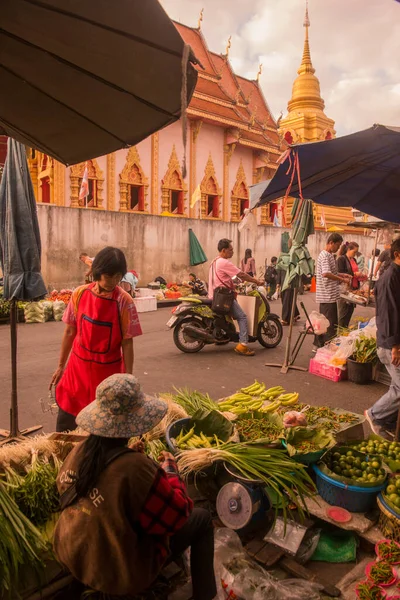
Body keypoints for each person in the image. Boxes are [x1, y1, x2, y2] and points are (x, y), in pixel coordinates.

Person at [53, 374, 216, 600]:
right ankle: (205, 595)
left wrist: (131, 458)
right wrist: (169, 469)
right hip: (119, 572)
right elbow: (177, 515)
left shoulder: (80, 452)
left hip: (72, 551)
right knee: (202, 519)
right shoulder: (135, 468)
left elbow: (104, 487)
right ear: (133, 424)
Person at [50, 247, 143, 432]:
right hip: (77, 372)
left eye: (118, 277)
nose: (113, 282)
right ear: (98, 273)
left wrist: (128, 378)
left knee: (104, 429)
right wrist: (61, 366)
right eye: (109, 276)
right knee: (66, 426)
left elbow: (127, 342)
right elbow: (70, 332)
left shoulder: (124, 301)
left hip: (108, 376)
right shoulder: (79, 294)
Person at [365, 239, 400, 438]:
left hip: (393, 341)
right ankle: (376, 415)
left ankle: (387, 419)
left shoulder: (396, 275)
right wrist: (395, 345)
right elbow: (389, 313)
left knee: (397, 385)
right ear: (397, 255)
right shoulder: (390, 277)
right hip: (389, 343)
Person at [208, 239, 264, 356]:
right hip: (223, 297)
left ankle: (222, 336)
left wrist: (235, 284)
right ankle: (243, 344)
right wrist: (256, 281)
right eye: (231, 250)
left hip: (213, 295)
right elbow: (242, 274)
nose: (232, 252)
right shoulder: (224, 262)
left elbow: (226, 278)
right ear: (224, 250)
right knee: (242, 317)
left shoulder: (214, 262)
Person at [314, 233, 350, 347]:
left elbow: (330, 272)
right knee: (329, 325)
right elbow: (325, 273)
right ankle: (325, 347)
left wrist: (341, 275)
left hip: (328, 296)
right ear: (331, 243)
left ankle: (319, 344)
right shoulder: (325, 256)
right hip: (327, 296)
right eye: (338, 245)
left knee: (324, 322)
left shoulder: (328, 255)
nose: (338, 248)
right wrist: (341, 279)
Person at [337, 242, 363, 328]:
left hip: (353, 288)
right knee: (343, 313)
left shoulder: (354, 260)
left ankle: (344, 330)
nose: (355, 254)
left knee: (349, 312)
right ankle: (339, 333)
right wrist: (354, 274)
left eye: (356, 252)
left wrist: (360, 276)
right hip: (344, 289)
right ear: (348, 249)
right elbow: (339, 273)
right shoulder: (341, 259)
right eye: (354, 251)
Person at [276, 241, 300, 326]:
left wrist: (278, 283)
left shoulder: (292, 257)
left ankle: (286, 319)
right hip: (286, 282)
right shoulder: (284, 257)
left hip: (288, 283)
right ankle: (294, 315)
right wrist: (278, 282)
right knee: (288, 300)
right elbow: (279, 270)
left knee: (287, 300)